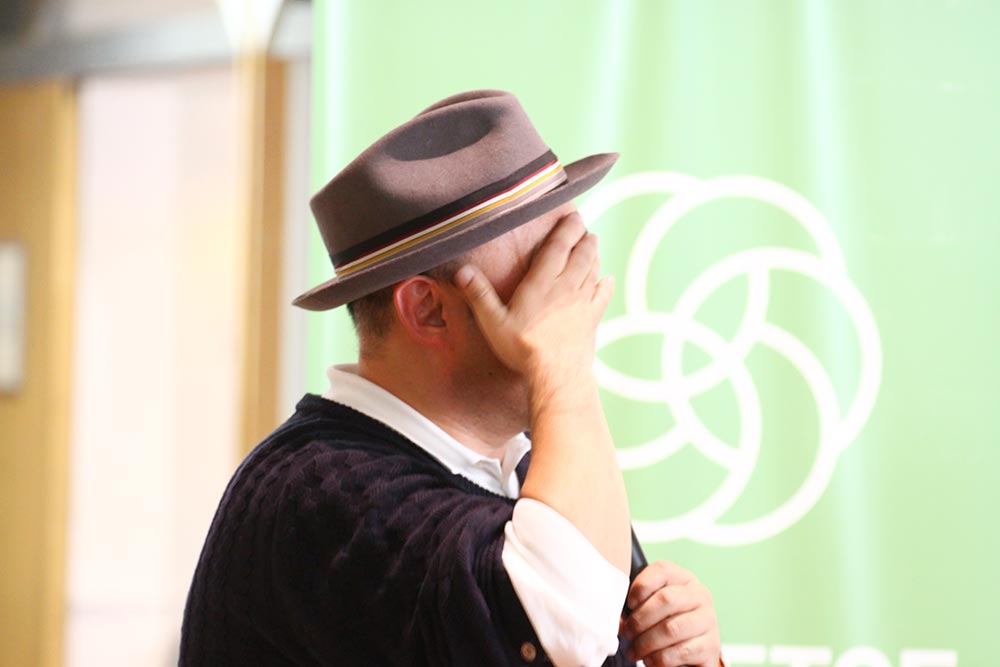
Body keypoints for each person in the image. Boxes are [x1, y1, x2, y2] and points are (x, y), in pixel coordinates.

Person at [180, 90, 723, 667]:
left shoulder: (532, 463)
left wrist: (687, 653)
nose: (578, 283)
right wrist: (564, 369)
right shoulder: (321, 493)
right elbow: (559, 638)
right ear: (428, 310)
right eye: (546, 258)